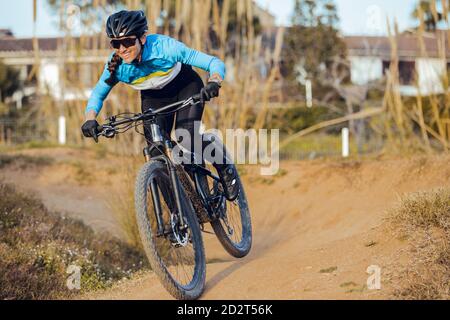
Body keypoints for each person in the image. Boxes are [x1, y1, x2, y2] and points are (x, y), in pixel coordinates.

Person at [81, 10, 238, 201]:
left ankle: (224, 166)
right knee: (156, 152)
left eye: (128, 41)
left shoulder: (165, 47)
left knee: (186, 137)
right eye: (115, 43)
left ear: (143, 38)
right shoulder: (117, 66)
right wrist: (90, 120)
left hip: (185, 87)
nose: (122, 48)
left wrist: (214, 82)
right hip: (153, 98)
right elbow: (98, 94)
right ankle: (177, 219)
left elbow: (213, 62)